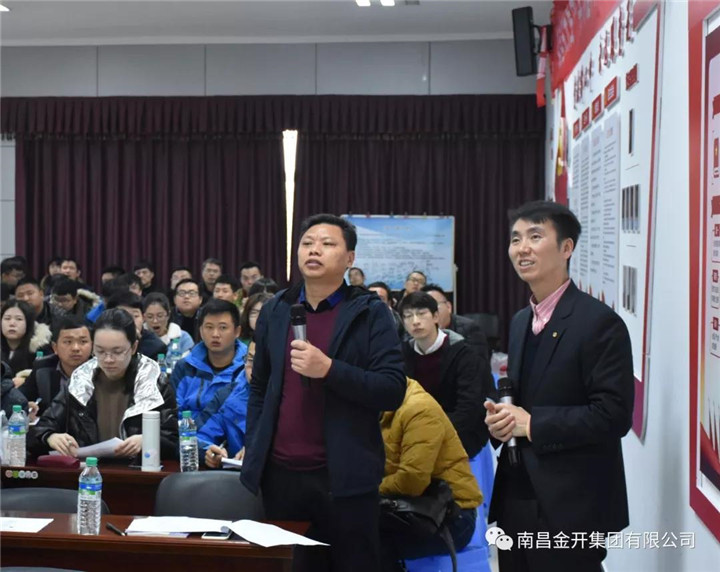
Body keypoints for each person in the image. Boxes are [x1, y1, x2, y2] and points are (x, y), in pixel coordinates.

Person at [241, 213, 406, 572]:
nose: (314, 250)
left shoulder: (369, 313)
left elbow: (391, 389)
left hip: (344, 479)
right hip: (281, 477)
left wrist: (329, 369)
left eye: (327, 244)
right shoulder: (276, 309)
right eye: (307, 243)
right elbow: (260, 387)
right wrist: (256, 444)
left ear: (349, 258)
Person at [484, 200, 634, 572]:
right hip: (516, 493)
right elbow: (526, 398)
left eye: (535, 236)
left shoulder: (598, 323)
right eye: (515, 239)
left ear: (566, 247)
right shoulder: (522, 320)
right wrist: (503, 422)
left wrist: (532, 424)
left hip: (571, 503)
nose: (522, 248)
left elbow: (614, 415)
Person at [29, 308, 178, 459]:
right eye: (100, 351)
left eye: (117, 352)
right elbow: (41, 428)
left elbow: (174, 440)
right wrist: (50, 437)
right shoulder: (81, 381)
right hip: (89, 468)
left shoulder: (153, 382)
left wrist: (148, 440)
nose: (108, 359)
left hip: (138, 468)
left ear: (133, 347)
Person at [380, 377, 483, 569]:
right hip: (405, 506)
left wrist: (368, 490)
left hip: (451, 516)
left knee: (366, 543)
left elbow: (411, 480)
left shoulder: (418, 409)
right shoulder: (375, 410)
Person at [399, 291, 493, 459]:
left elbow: (469, 407)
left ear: (436, 317)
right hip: (414, 435)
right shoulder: (403, 355)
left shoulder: (464, 353)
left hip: (457, 435)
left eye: (421, 314)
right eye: (408, 316)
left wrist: (430, 433)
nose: (415, 321)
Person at [170, 299, 247, 420]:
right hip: (187, 430)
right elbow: (173, 411)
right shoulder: (185, 366)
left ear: (237, 331)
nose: (215, 334)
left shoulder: (247, 368)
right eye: (209, 327)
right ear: (201, 330)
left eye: (223, 327)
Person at [20, 315, 92, 418]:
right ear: (55, 348)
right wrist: (26, 406)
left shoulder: (101, 372)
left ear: (92, 346)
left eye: (83, 342)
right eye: (68, 342)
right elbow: (18, 398)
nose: (76, 348)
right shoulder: (42, 369)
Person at [199, 340, 255, 468]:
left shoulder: (292, 399)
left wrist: (258, 450)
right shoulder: (227, 395)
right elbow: (199, 437)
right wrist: (209, 452)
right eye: (250, 360)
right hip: (235, 475)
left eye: (263, 362)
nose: (254, 369)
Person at [422, 284, 490, 360]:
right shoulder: (417, 332)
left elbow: (477, 363)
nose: (430, 314)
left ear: (448, 307)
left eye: (433, 306)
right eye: (423, 311)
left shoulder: (470, 329)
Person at [106, 291, 166, 361]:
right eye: (123, 316)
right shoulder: (102, 340)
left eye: (135, 316)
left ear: (143, 318)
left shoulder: (156, 347)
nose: (130, 321)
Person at [1, 300, 52, 376]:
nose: (12, 323)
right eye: (7, 318)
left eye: (19, 319)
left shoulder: (41, 350)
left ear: (28, 323)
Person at [142, 292, 194, 356]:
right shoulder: (139, 339)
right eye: (150, 317)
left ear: (168, 315)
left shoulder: (183, 338)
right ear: (144, 317)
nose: (155, 321)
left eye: (160, 316)